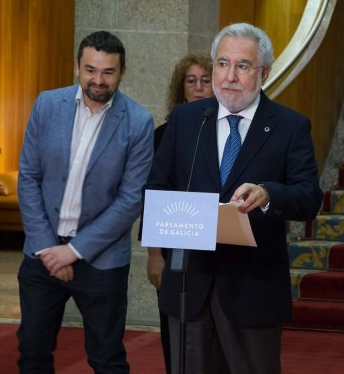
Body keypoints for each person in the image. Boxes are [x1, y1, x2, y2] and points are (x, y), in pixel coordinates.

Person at [145, 23, 324, 374]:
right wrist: (156, 251)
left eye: (242, 66)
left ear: (264, 73)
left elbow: (309, 197)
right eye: (222, 64)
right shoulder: (185, 120)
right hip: (189, 285)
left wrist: (269, 194)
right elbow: (156, 187)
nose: (229, 76)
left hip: (252, 288)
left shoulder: (290, 126)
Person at [16, 31, 154, 373]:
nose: (98, 79)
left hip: (102, 261)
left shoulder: (138, 122)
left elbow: (129, 200)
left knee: (107, 359)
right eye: (91, 69)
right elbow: (28, 178)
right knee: (32, 351)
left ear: (123, 72)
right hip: (42, 253)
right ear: (78, 66)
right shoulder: (47, 105)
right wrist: (49, 247)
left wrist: (74, 251)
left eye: (108, 72)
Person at [144, 52, 215, 374]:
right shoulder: (163, 134)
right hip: (176, 251)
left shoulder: (227, 133)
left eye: (205, 80)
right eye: (191, 81)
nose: (199, 88)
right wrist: (155, 254)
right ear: (181, 88)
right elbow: (155, 196)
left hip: (218, 247)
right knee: (176, 340)